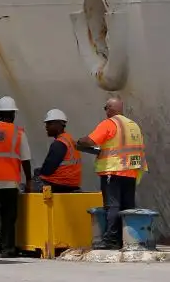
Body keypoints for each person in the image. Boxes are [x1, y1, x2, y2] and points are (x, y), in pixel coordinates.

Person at [77, 97, 145, 250]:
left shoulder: (109, 123)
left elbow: (90, 141)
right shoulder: (133, 125)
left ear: (109, 109)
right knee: (128, 206)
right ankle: (127, 240)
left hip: (113, 170)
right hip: (131, 172)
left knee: (112, 206)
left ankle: (111, 240)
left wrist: (80, 141)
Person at [0, 95, 33, 258]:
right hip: (9, 183)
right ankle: (6, 247)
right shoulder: (19, 133)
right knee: (8, 217)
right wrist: (29, 180)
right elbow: (26, 159)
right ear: (13, 114)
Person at [36, 108, 81, 192]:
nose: (46, 127)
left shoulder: (59, 143)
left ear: (58, 124)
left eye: (49, 123)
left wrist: (39, 173)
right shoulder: (69, 139)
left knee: (30, 184)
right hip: (72, 182)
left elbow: (47, 170)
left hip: (58, 183)